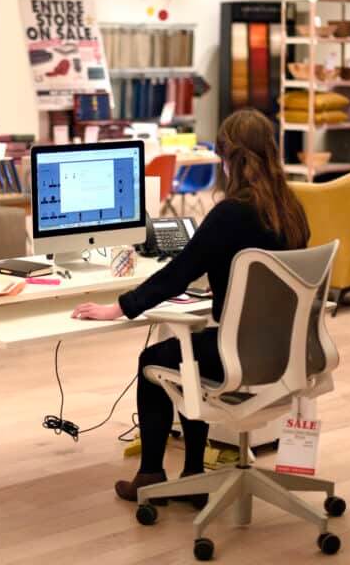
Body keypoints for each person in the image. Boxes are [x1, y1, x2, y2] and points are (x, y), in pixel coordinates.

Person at [71, 109, 311, 503]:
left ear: (228, 157)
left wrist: (119, 307)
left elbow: (177, 275)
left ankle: (151, 476)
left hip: (237, 353)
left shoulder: (231, 213)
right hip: (287, 351)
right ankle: (193, 474)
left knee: (155, 359)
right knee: (188, 354)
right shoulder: (292, 210)